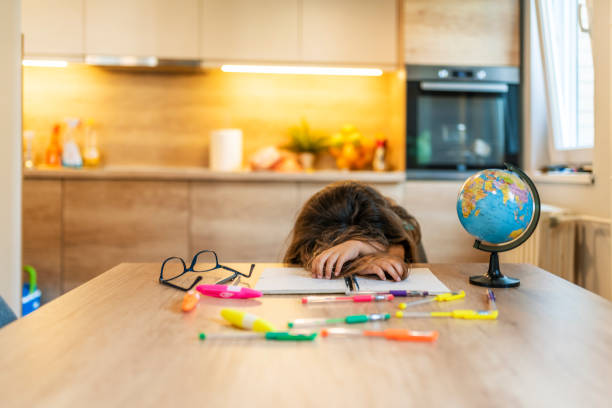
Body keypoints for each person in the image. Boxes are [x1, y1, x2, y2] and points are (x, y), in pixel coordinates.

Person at [284, 181, 424, 281]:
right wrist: (358, 265)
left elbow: (400, 247)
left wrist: (361, 246)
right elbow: (311, 259)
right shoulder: (314, 227)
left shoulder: (396, 224)